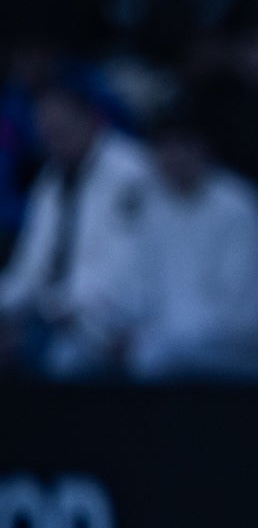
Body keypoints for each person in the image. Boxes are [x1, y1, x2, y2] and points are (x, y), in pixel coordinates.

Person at [121, 118, 258, 378]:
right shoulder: (153, 208)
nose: (173, 157)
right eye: (164, 147)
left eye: (182, 146)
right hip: (177, 350)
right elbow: (142, 286)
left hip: (250, 357)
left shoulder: (240, 208)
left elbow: (245, 312)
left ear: (203, 150)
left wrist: (162, 339)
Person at [0, 80, 153, 376]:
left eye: (63, 129)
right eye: (47, 132)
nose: (55, 139)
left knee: (53, 358)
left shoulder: (130, 171)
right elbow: (31, 268)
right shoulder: (50, 178)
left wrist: (59, 307)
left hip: (108, 320)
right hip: (52, 313)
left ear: (91, 120)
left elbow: (127, 267)